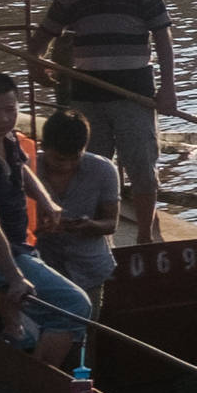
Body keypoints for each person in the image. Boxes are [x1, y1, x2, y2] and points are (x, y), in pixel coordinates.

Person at [33, 0, 178, 244]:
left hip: (135, 93)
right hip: (89, 95)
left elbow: (163, 36)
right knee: (93, 168)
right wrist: (36, 61)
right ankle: (100, 238)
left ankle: (145, 236)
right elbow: (42, 36)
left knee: (142, 167)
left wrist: (168, 88)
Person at [0, 72, 93, 368]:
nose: (4, 119)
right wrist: (13, 278)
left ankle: (15, 339)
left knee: (26, 326)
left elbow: (21, 168)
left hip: (18, 247)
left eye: (11, 110)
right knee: (74, 306)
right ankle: (40, 380)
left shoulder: (5, 138)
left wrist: (46, 201)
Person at [34, 110, 123, 311]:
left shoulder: (104, 170)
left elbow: (111, 223)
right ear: (43, 147)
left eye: (74, 159)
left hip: (88, 269)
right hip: (41, 268)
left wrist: (89, 225)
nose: (67, 165)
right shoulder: (27, 168)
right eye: (58, 159)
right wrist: (38, 227)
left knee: (86, 330)